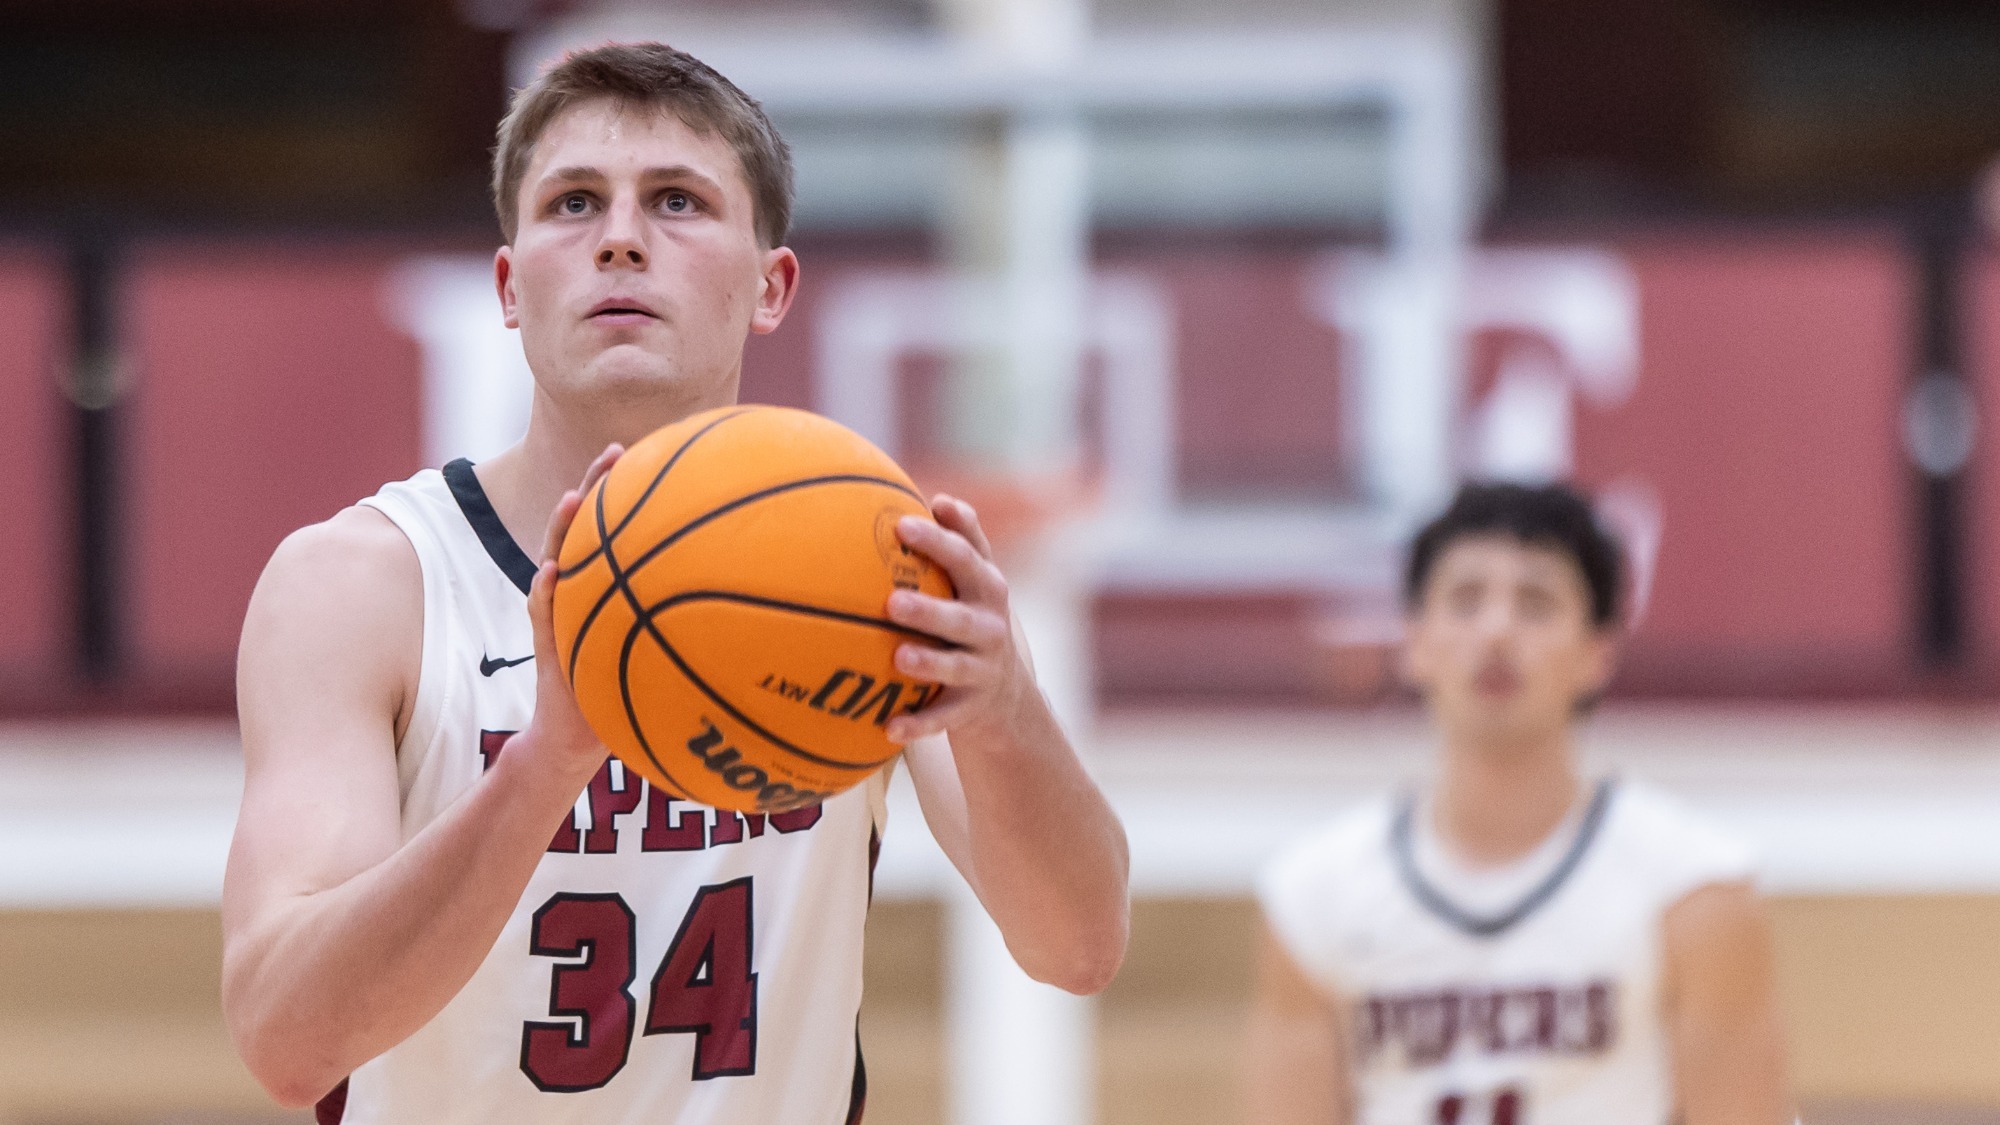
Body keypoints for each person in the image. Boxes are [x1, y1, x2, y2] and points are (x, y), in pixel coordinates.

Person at [221, 42, 1129, 1124]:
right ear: (511, 289)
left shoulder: (872, 562)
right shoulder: (363, 583)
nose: (617, 239)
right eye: (571, 204)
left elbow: (1076, 945)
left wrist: (1004, 712)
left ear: (770, 285)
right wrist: (547, 760)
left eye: (676, 202)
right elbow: (285, 1040)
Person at [1244, 482, 1792, 1125]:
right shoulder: (1317, 893)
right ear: (1416, 644)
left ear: (1598, 653)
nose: (1497, 631)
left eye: (1535, 603)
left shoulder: (1692, 887)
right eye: (1466, 600)